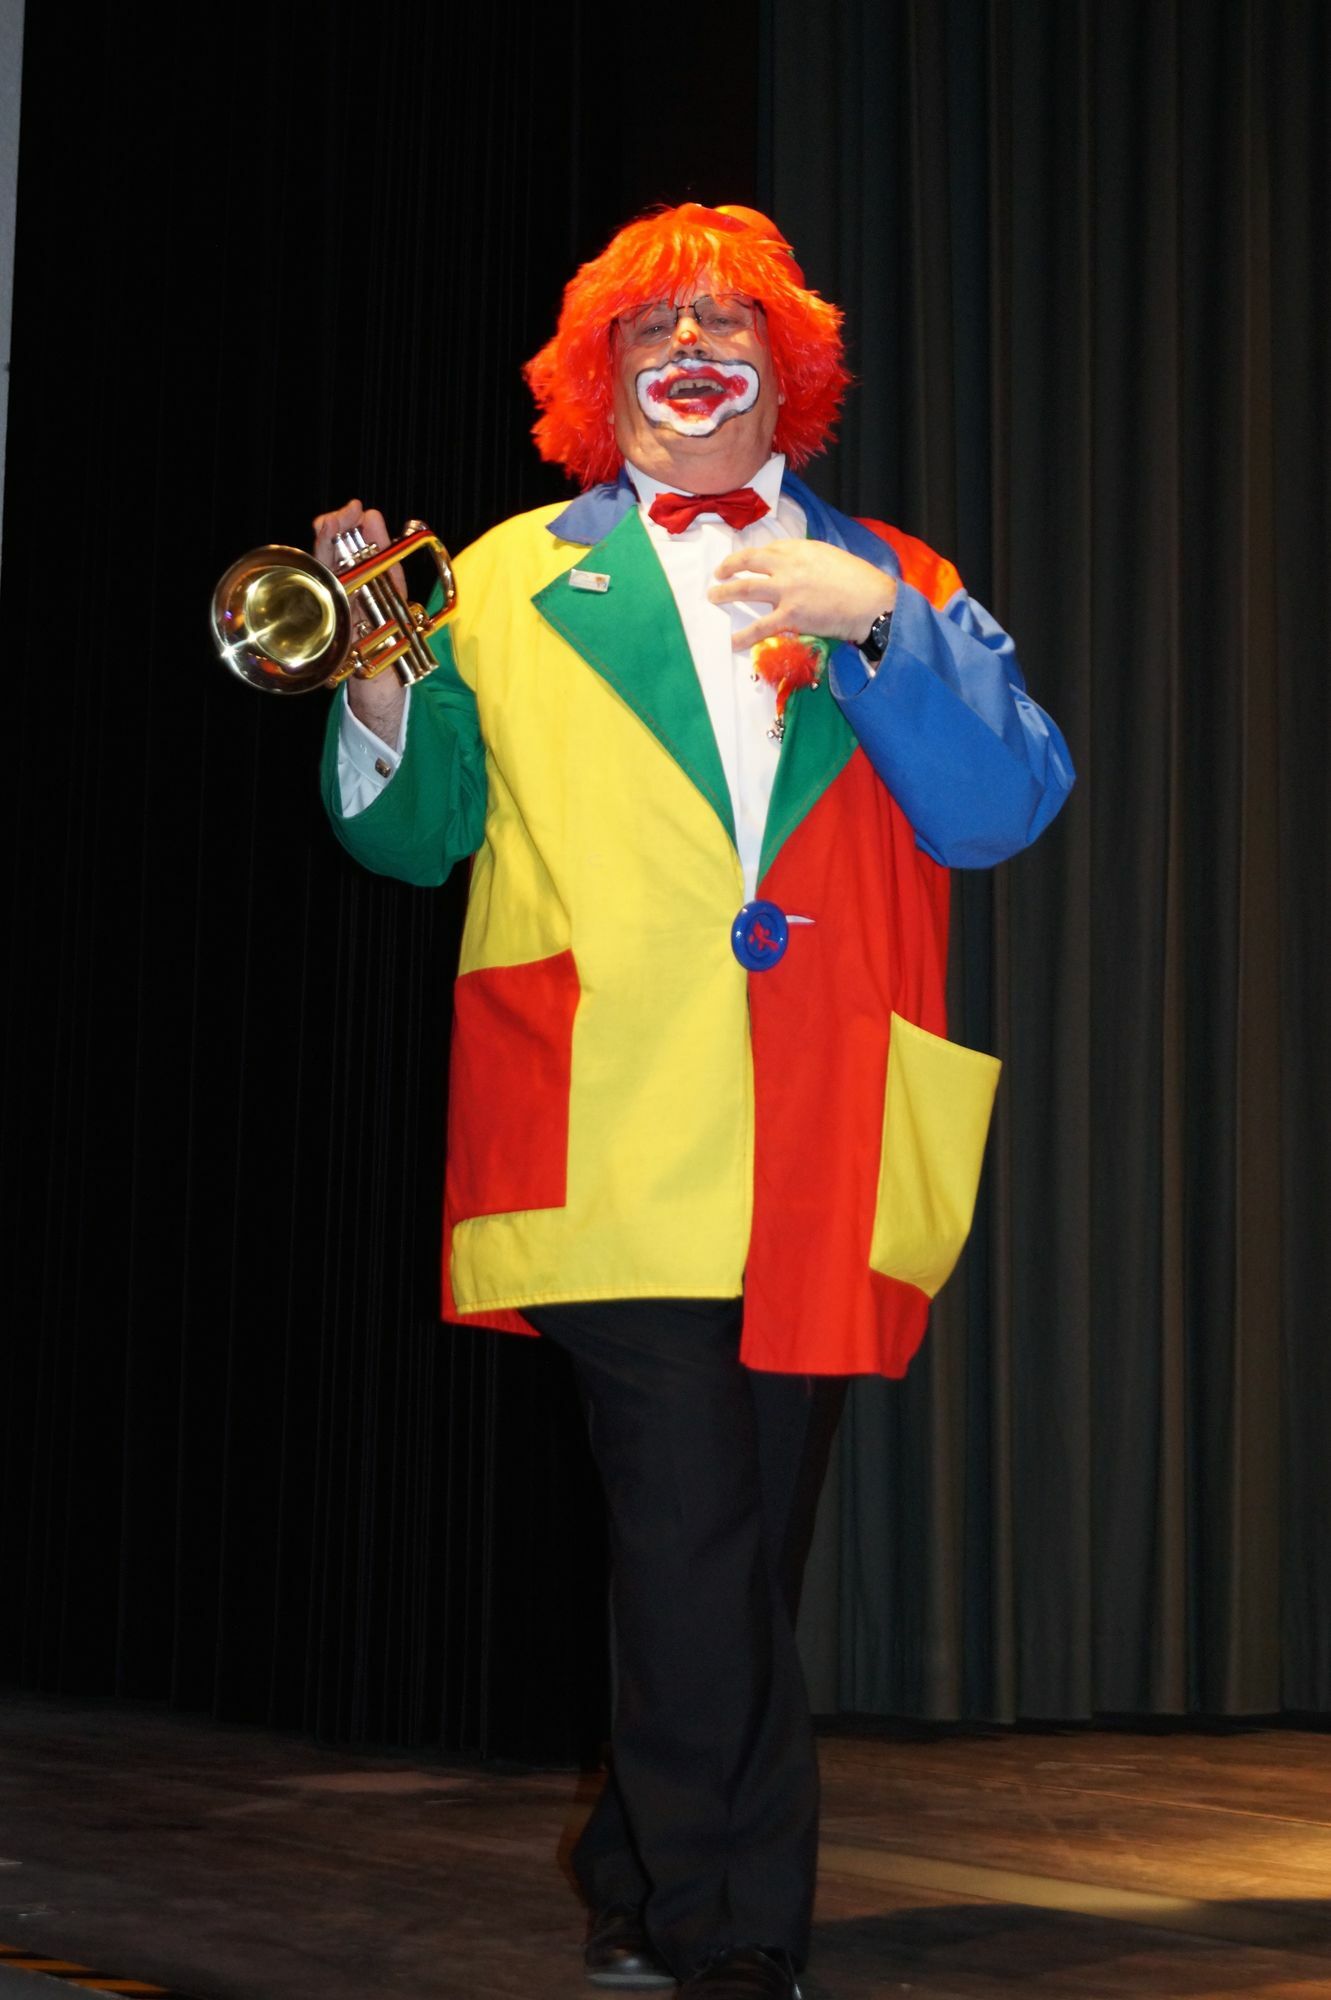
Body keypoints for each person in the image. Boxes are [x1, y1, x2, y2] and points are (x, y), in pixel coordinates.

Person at [315, 202, 1073, 1999]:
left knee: (738, 1540)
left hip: (824, 1128)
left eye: (729, 322)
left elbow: (1001, 810)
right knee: (691, 1526)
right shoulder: (500, 577)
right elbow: (414, 838)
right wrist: (377, 666)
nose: (691, 350)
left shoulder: (897, 571)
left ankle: (641, 1871)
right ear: (599, 379)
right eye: (651, 327)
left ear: (788, 370)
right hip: (608, 1115)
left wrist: (876, 627)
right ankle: (732, 1930)